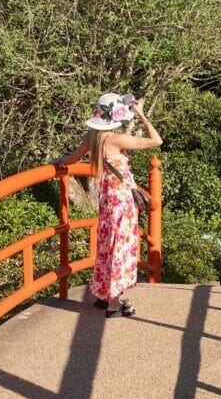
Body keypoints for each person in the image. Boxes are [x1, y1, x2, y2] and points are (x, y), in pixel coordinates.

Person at [53, 93, 162, 316]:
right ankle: (113, 304)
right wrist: (141, 113)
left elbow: (72, 159)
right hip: (122, 202)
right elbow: (156, 140)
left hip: (107, 201)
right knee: (120, 248)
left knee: (107, 246)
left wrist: (57, 163)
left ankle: (103, 295)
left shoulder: (92, 139)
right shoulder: (115, 140)